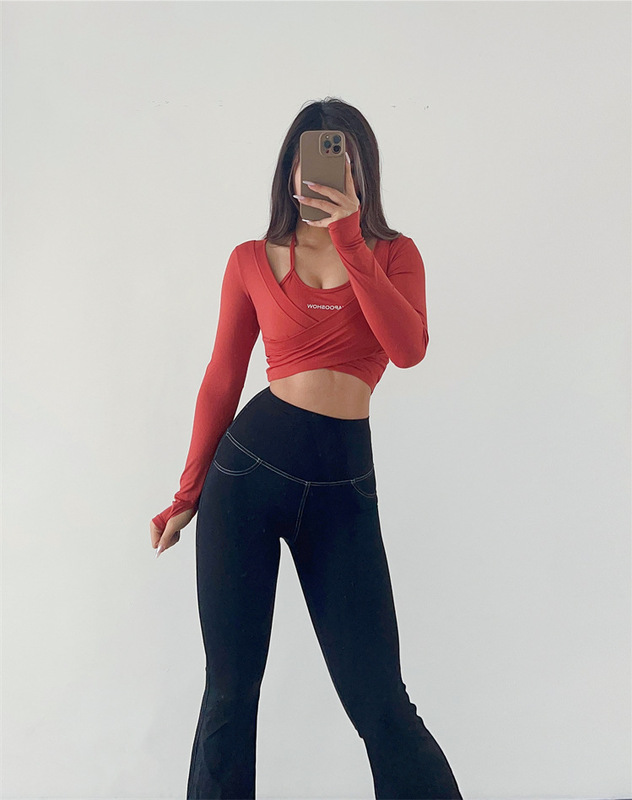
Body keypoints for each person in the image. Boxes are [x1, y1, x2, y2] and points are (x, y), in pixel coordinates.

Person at [150, 98, 463, 800]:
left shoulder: (393, 255)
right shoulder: (249, 260)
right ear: (289, 170)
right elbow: (222, 378)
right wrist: (187, 493)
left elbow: (407, 349)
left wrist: (350, 238)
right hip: (246, 477)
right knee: (229, 693)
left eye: (338, 157)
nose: (319, 171)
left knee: (381, 703)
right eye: (308, 157)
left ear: (360, 170)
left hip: (342, 490)